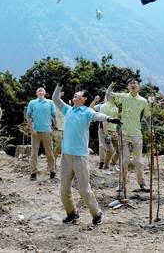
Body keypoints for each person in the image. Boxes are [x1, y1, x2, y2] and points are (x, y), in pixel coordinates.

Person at [52, 84, 122, 225]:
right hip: (66, 156)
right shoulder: (69, 110)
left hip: (80, 156)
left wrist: (109, 119)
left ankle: (96, 213)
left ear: (84, 99)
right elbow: (55, 98)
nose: (75, 95)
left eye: (77, 94)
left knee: (83, 188)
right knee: (64, 190)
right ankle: (72, 213)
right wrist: (59, 85)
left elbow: (97, 115)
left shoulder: (86, 112)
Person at [105, 79, 151, 192]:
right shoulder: (124, 96)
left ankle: (142, 183)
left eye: (135, 83)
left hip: (137, 134)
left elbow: (148, 116)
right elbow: (108, 95)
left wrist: (151, 105)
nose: (133, 85)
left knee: (138, 161)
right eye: (131, 84)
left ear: (139, 87)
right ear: (128, 87)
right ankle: (122, 184)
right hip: (124, 134)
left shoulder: (143, 101)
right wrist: (112, 84)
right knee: (124, 161)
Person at [26, 87, 57, 181]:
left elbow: (54, 116)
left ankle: (52, 171)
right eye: (38, 90)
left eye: (42, 90)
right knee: (34, 153)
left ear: (45, 93)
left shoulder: (50, 102)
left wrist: (55, 127)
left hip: (47, 130)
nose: (40, 91)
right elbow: (29, 117)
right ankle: (33, 173)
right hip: (36, 131)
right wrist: (32, 130)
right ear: (36, 93)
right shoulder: (32, 103)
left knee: (50, 152)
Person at [92, 95, 119, 170]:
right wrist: (95, 100)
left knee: (114, 149)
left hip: (113, 130)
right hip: (102, 128)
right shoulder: (101, 106)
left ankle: (111, 163)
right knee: (102, 146)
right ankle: (102, 162)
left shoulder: (115, 107)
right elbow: (90, 109)